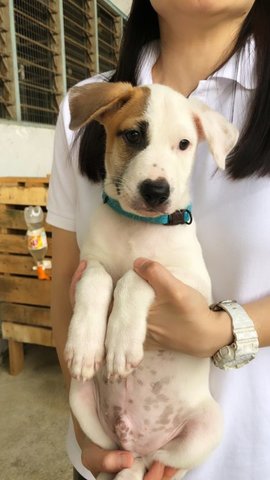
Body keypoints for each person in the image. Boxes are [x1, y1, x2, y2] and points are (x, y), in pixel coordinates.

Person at [46, 1, 270, 479]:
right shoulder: (89, 100)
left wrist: (221, 331)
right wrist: (91, 440)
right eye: (133, 138)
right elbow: (69, 276)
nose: (157, 174)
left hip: (238, 452)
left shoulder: (212, 123)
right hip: (102, 451)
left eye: (180, 146)